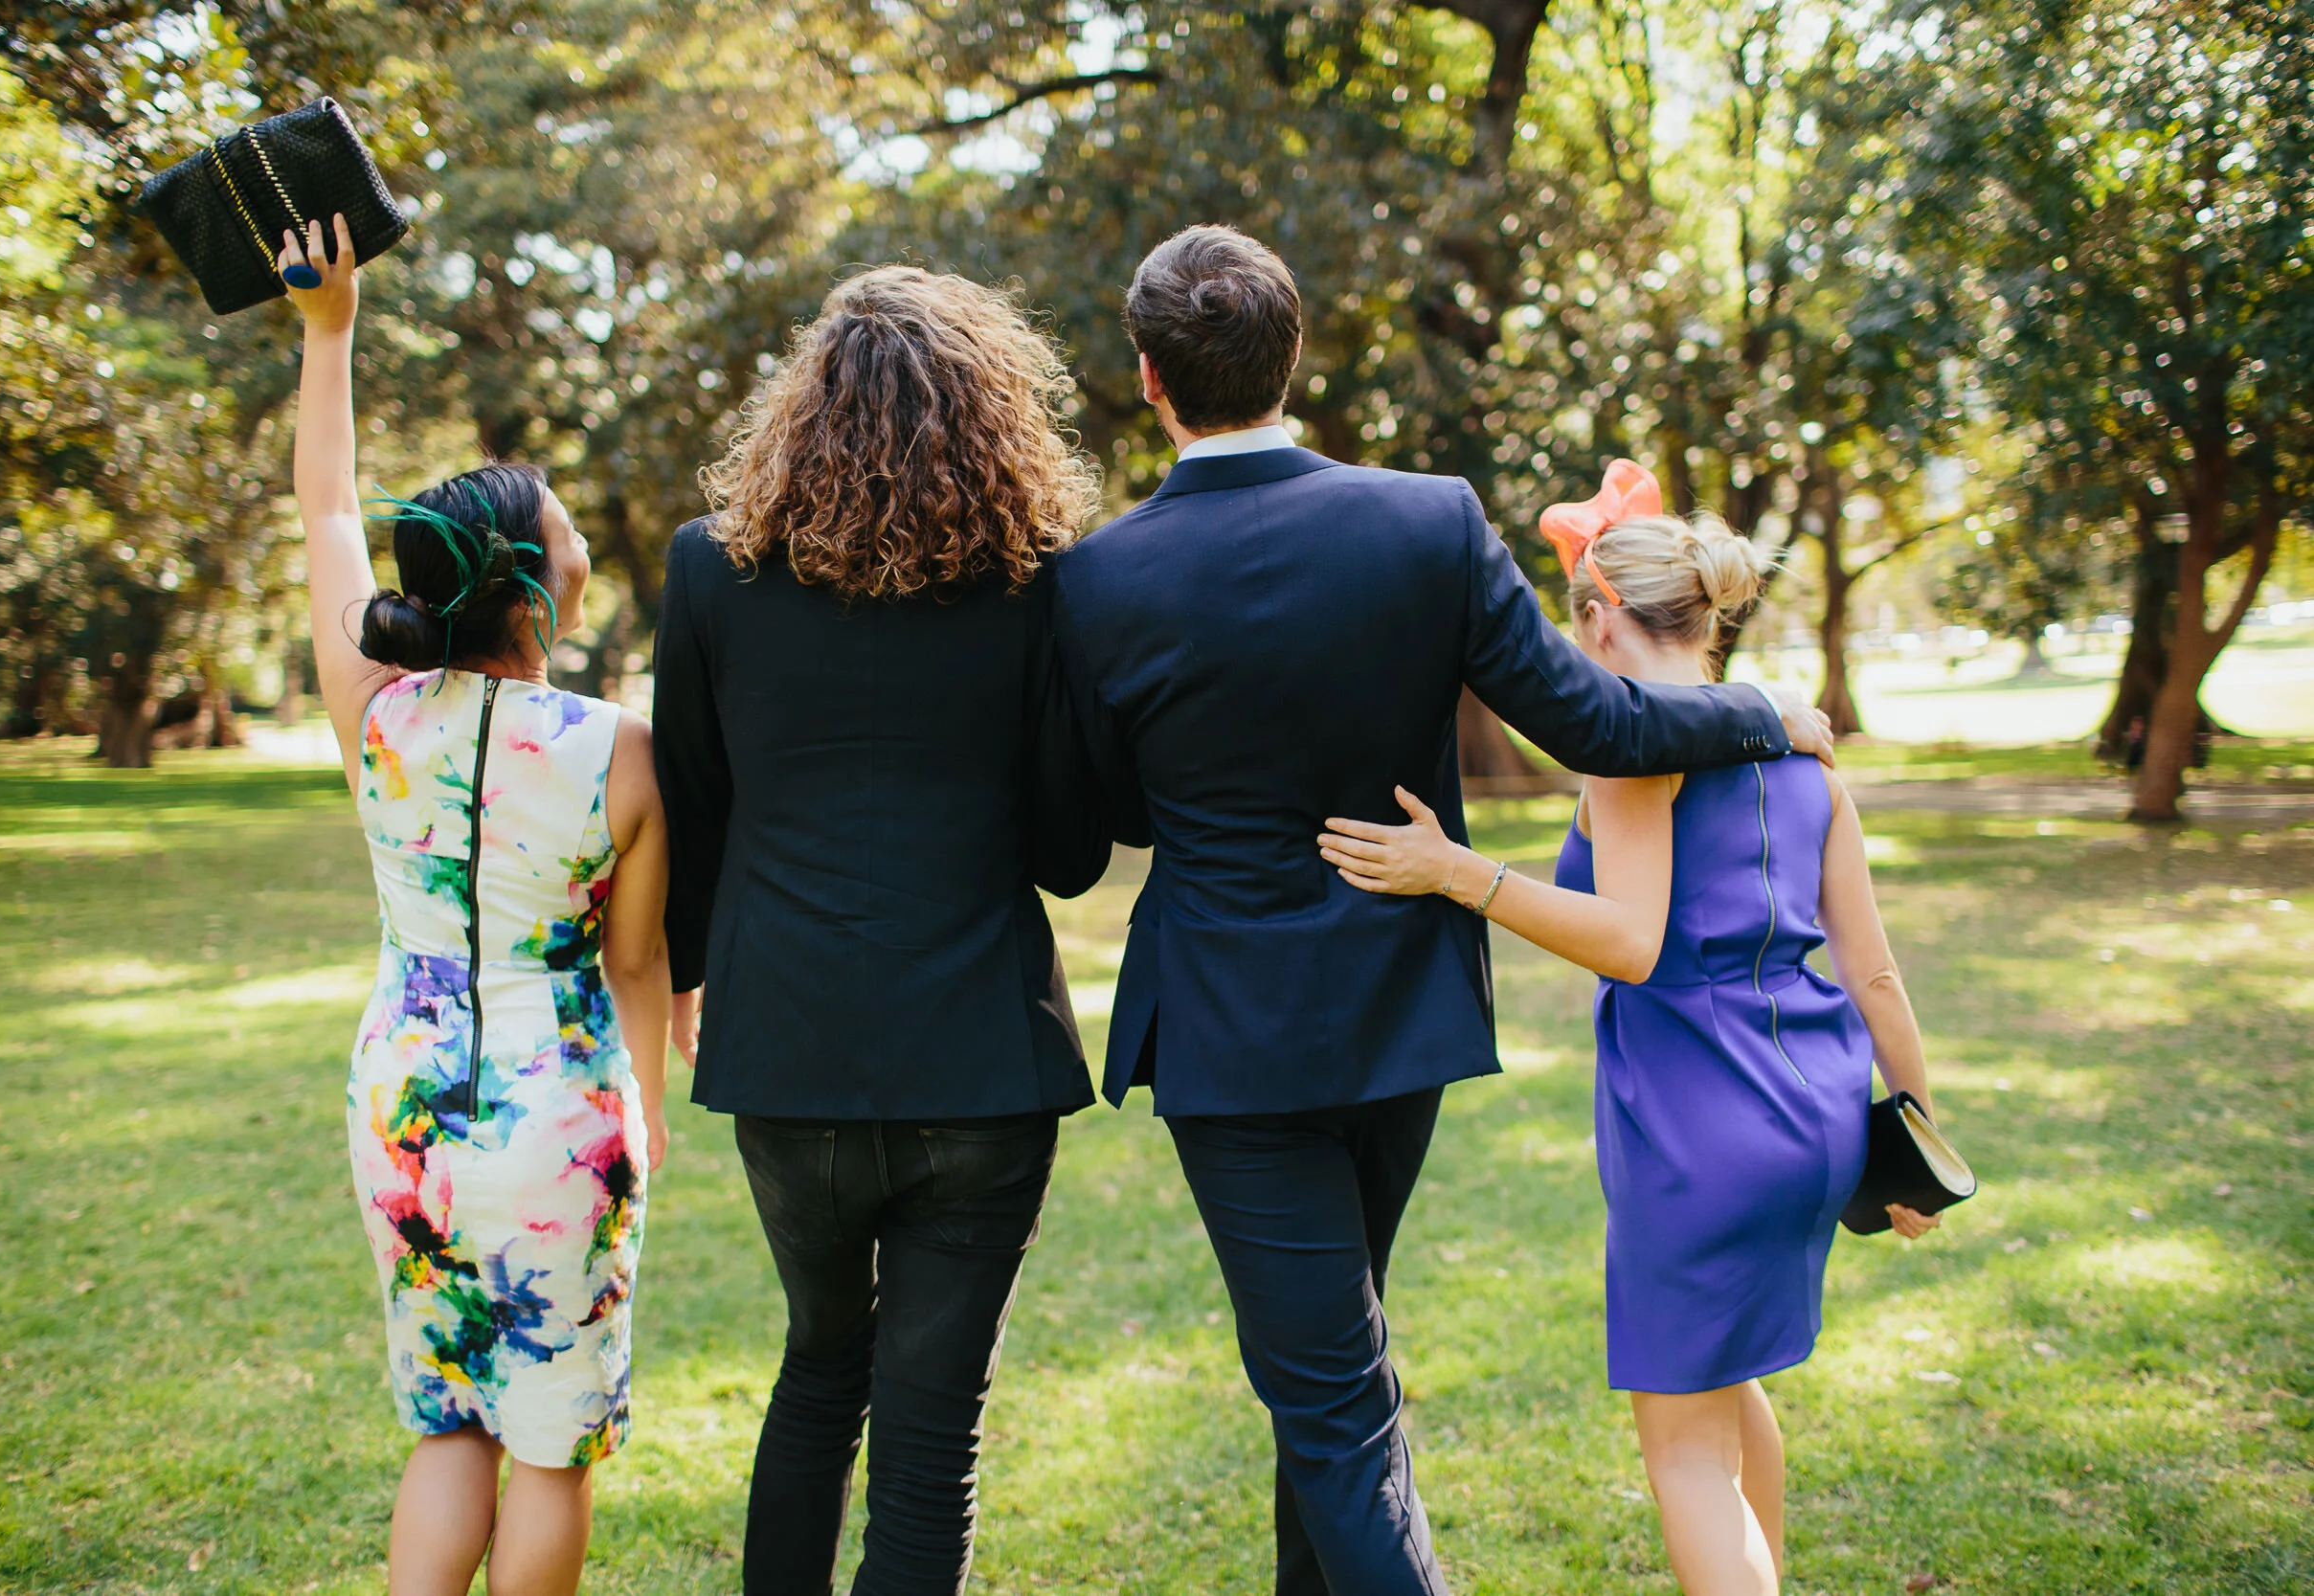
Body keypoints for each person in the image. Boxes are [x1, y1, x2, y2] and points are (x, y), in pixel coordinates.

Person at [1049, 226, 1836, 1596]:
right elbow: (1594, 720)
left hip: (1232, 1035)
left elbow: (1107, 812)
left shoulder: (1095, 578)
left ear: (1150, 378)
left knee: (1328, 1392)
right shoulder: (1427, 519)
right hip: (1399, 1007)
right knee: (1328, 1371)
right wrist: (1758, 709)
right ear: (1293, 356)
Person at [1318, 462, 1942, 1596]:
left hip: (1700, 1144)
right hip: (1818, 1121)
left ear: (1599, 619)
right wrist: (1916, 1135)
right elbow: (1877, 975)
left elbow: (1631, 940)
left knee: (1685, 1453)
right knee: (1731, 1390)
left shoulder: (1631, 754)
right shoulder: (1805, 758)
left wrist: (1455, 871)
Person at [652, 265, 1109, 1595]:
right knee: (929, 1432)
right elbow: (1072, 854)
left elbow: (690, 806)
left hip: (783, 1050)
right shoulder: (1039, 584)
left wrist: (687, 982)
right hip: (982, 1061)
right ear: (995, 409)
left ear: (799, 406)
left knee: (817, 1370)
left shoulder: (708, 569)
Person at [283, 216, 671, 1596]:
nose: (580, 536)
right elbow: (637, 968)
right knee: (551, 1449)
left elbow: (330, 517)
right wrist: (644, 1122)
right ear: (535, 583)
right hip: (557, 1116)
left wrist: (329, 334)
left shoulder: (376, 714)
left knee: (450, 1422)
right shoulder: (620, 750)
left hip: (400, 1103)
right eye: (565, 526)